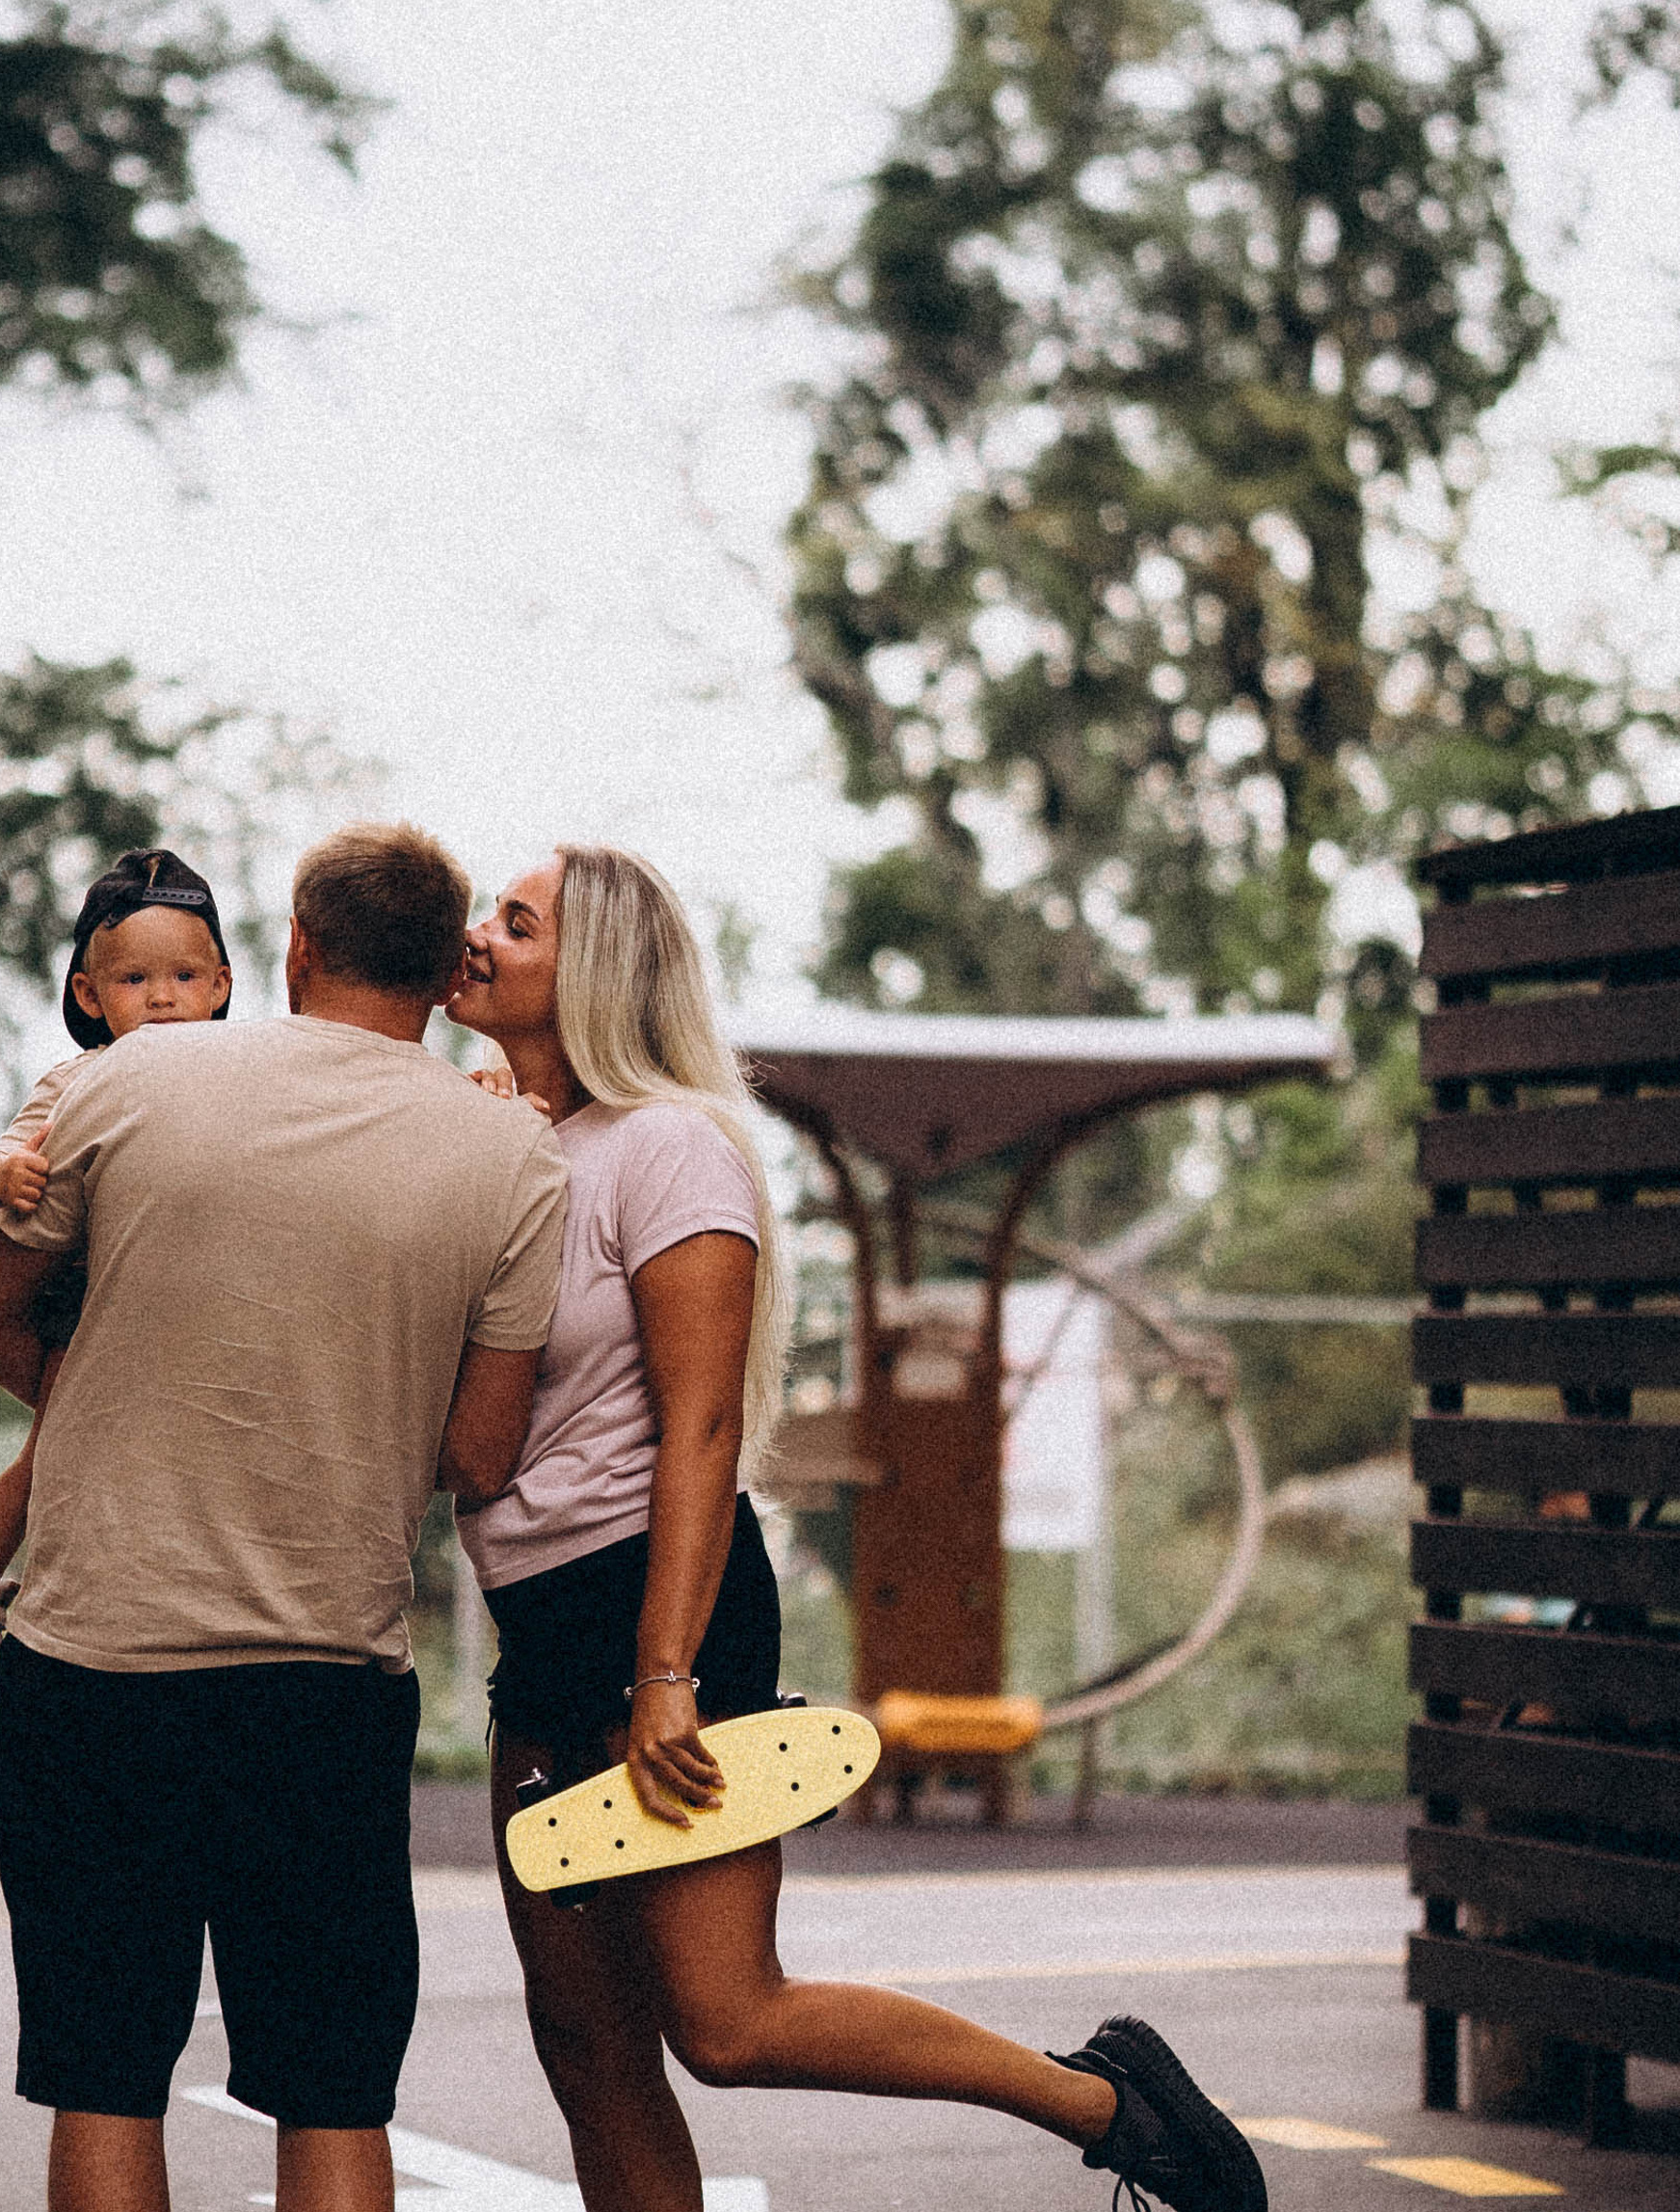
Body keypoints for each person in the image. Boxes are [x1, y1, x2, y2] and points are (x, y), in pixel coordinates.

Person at [446, 842, 1268, 2212]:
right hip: (538, 1614)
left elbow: (703, 1431)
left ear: (589, 973)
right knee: (584, 2043)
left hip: (654, 1600)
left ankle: (1112, 2103)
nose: (479, 937)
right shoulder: (511, 1146)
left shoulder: (669, 1148)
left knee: (727, 2022)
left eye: (515, 923)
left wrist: (666, 1677)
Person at [0, 821, 569, 2212]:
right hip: (325, 1679)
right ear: (440, 964)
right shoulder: (513, 1162)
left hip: (97, 1665)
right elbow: (477, 1450)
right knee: (333, 2085)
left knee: (106, 2072)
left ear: (289, 949)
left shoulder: (131, 1080)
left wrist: (112, 1390)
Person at [0, 846, 233, 1693]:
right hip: (82, 1312)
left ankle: (7, 1595)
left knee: (83, 1469)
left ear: (221, 986)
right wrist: (1, 1176)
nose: (163, 998)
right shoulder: (84, 1078)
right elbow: (5, 1148)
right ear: (89, 995)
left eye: (185, 977)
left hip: (152, 1318)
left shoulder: (234, 1078)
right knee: (46, 1461)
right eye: (136, 981)